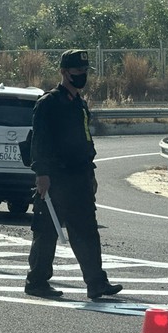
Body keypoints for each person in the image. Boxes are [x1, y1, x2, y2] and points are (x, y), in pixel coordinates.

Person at [24, 49, 122, 299]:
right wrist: (42, 174)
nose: (82, 76)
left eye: (85, 72)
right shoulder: (49, 103)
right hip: (55, 178)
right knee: (46, 231)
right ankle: (36, 282)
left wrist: (90, 174)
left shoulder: (79, 103)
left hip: (79, 177)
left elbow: (85, 141)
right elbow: (40, 141)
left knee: (87, 230)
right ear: (64, 72)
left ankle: (96, 282)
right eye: (78, 72)